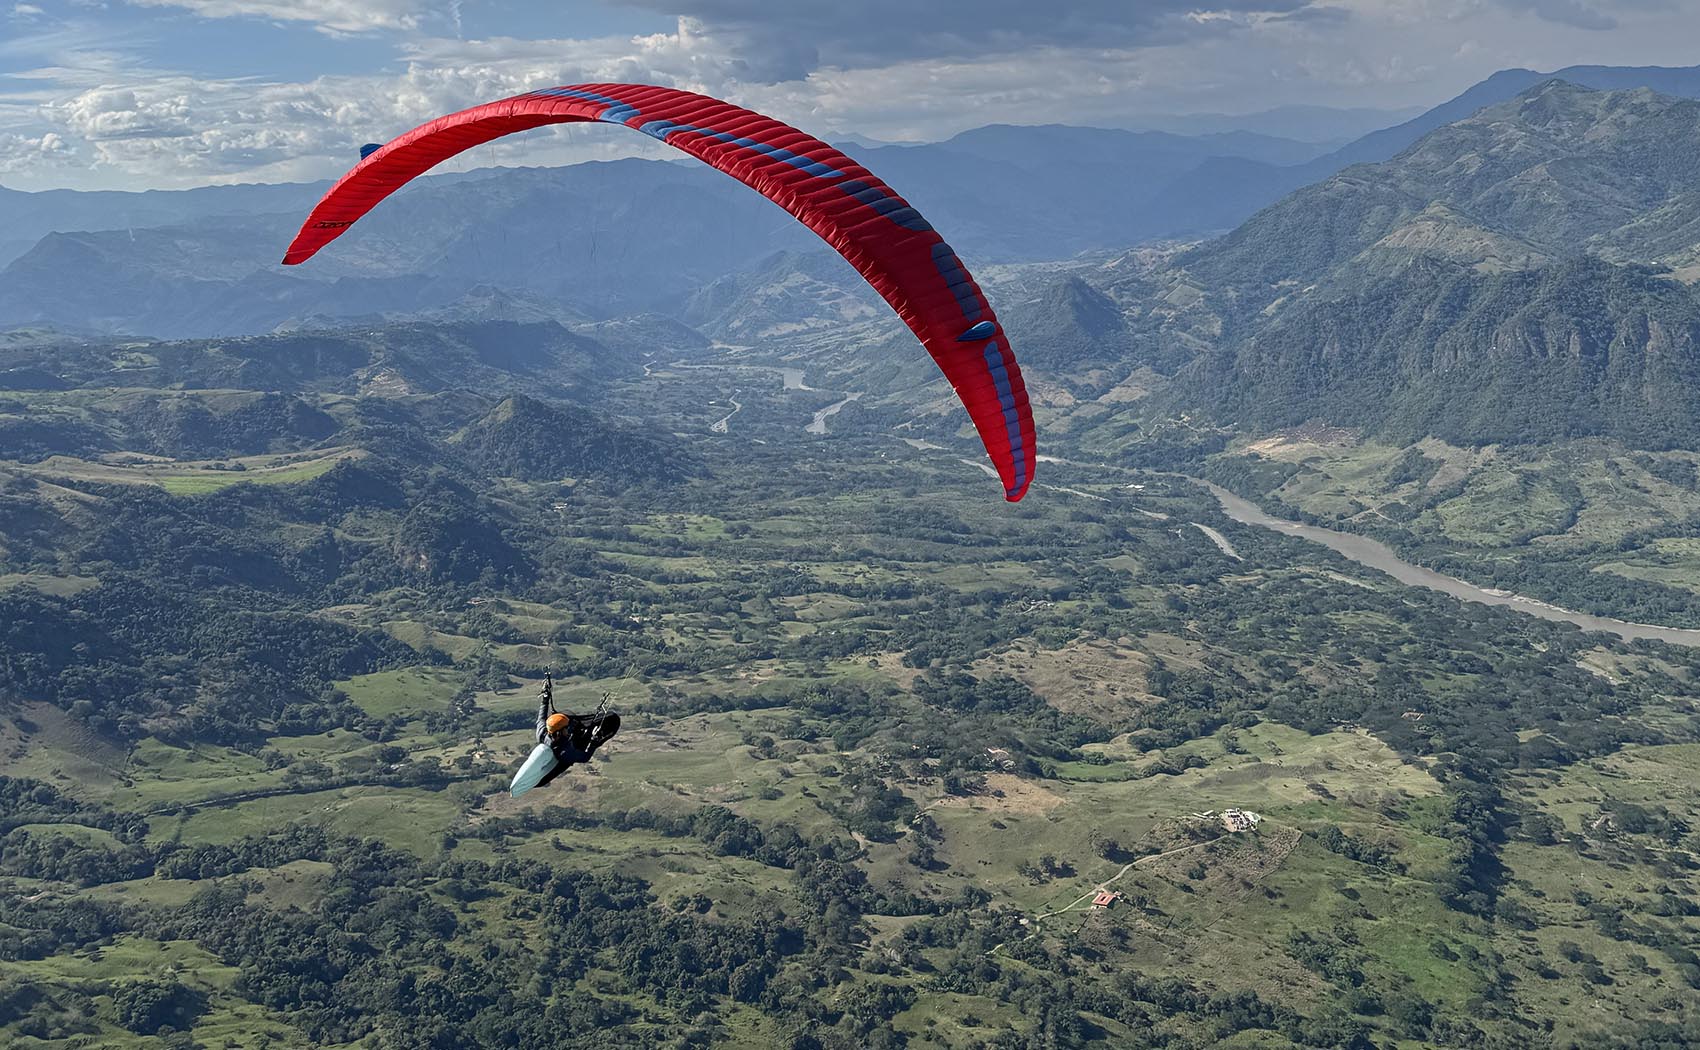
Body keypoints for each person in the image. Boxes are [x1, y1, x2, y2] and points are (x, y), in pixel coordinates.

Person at [533, 673, 619, 789]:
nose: (568, 729)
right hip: (567, 755)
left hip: (563, 746)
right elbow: (584, 757)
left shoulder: (542, 733)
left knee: (572, 722)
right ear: (560, 731)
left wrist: (545, 698)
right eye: (566, 728)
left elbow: (541, 717)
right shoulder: (565, 752)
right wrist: (593, 741)